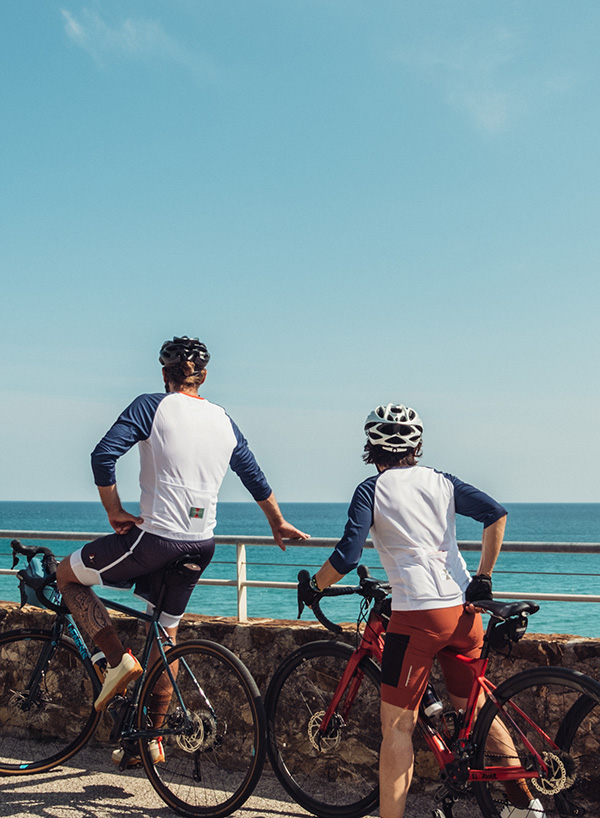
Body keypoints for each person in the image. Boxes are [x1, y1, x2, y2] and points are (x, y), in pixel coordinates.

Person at [57, 335, 309, 765]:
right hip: (202, 543)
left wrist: (115, 510)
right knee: (166, 632)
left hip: (155, 537)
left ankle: (117, 661)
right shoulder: (223, 419)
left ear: (164, 375)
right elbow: (253, 474)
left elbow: (103, 457)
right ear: (203, 377)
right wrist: (277, 521)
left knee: (66, 575)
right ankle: (148, 739)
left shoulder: (150, 405)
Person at [299, 403, 544, 818]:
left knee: (397, 727)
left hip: (418, 616)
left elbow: (347, 555)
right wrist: (483, 576)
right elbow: (495, 514)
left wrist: (313, 587)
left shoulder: (370, 490)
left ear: (370, 447)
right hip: (465, 611)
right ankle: (525, 804)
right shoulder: (441, 481)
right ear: (417, 445)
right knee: (475, 707)